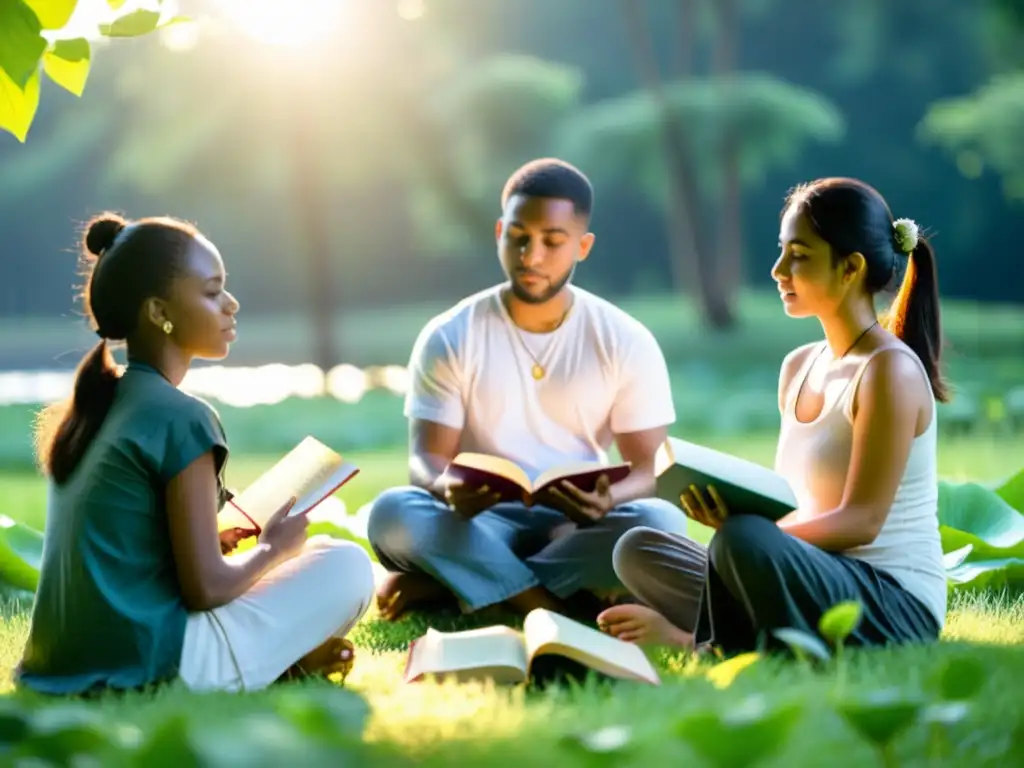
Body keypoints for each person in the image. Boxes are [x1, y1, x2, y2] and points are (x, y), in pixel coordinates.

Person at [16, 213, 375, 696]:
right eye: (211, 292)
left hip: (61, 662)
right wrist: (273, 549)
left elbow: (134, 549)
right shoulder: (181, 416)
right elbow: (204, 589)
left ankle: (283, 662)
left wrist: (217, 536)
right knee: (345, 564)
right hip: (154, 663)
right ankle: (278, 662)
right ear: (158, 311)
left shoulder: (97, 404)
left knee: (315, 563)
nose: (231, 304)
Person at [599, 177, 949, 655]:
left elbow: (861, 522)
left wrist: (749, 536)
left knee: (741, 542)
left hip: (889, 601)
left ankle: (696, 643)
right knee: (638, 549)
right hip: (809, 571)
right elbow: (790, 503)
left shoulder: (889, 371)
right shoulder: (799, 367)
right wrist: (730, 513)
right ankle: (745, 616)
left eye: (799, 255)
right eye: (782, 251)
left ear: (850, 268)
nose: (778, 269)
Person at [367, 158, 687, 621]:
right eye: (518, 237)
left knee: (661, 521)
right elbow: (425, 460)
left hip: (574, 529)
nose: (531, 256)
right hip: (476, 525)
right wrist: (446, 487)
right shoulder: (452, 333)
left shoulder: (624, 338)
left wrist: (608, 500)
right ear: (500, 231)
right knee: (395, 511)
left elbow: (648, 470)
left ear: (583, 246)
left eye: (552, 242)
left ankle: (454, 583)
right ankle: (551, 603)